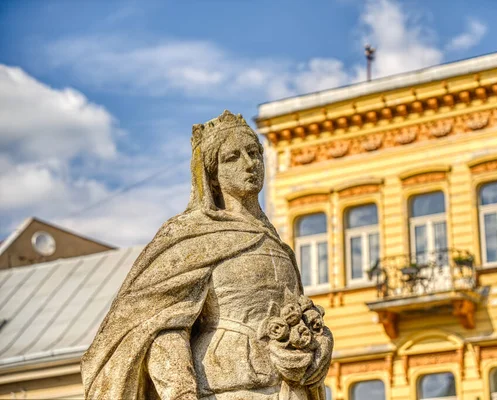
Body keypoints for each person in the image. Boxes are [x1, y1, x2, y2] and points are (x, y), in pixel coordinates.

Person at [81, 111, 333, 400]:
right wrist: (180, 393)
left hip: (288, 388)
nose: (249, 164)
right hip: (226, 388)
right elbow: (161, 327)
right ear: (212, 175)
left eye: (254, 153)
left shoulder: (276, 245)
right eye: (232, 158)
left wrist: (319, 346)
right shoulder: (190, 236)